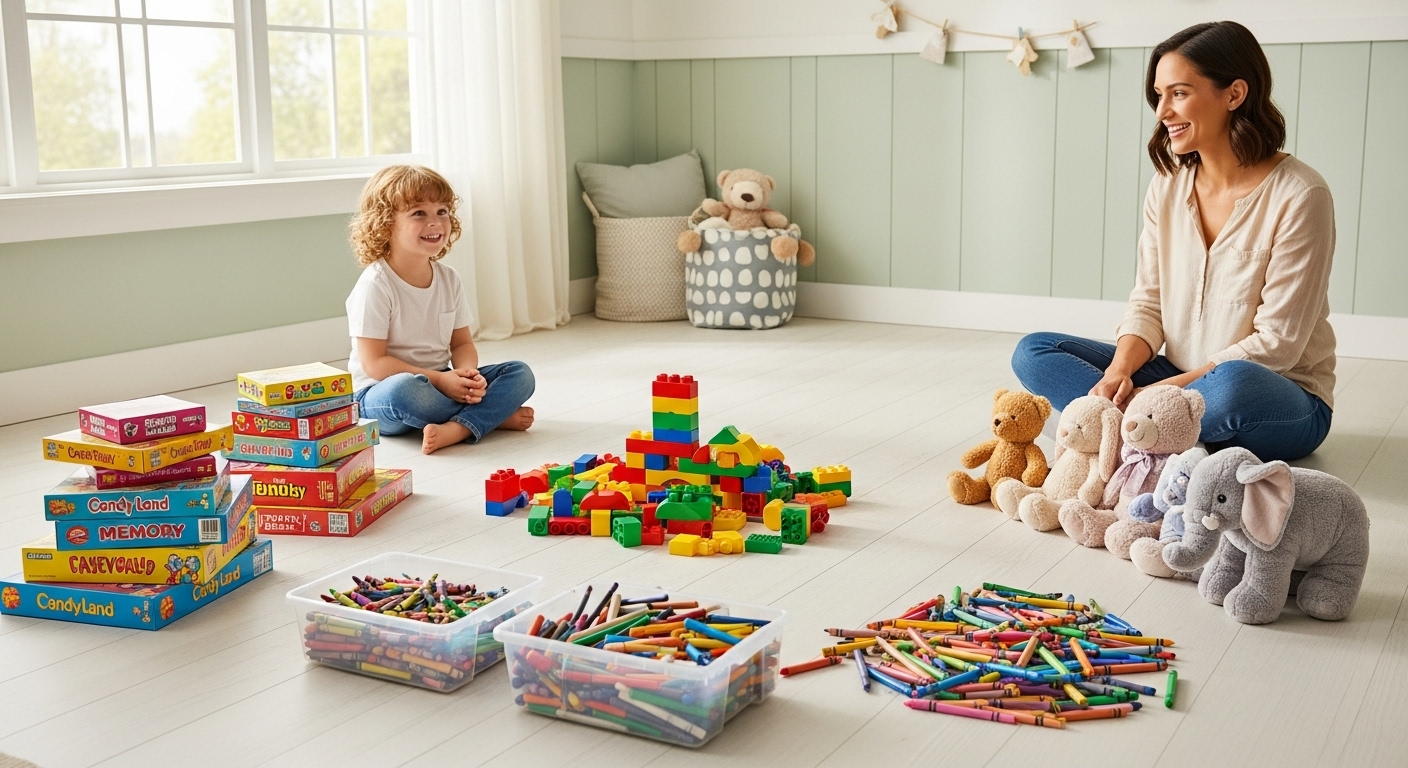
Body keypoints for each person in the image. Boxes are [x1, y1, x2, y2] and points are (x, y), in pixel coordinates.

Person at [1012, 21, 1335, 463]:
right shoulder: (1166, 186)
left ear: (1234, 94)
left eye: (1179, 93)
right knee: (1034, 352)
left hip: (1276, 395)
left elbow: (1276, 345)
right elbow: (1149, 302)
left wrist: (1154, 394)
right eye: (1159, 95)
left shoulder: (1300, 194)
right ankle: (1154, 436)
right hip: (1177, 375)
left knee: (1236, 386)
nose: (1163, 111)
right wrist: (1119, 373)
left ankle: (1109, 433)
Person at [345, 165, 535, 455]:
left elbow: (461, 343)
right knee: (404, 391)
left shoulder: (448, 278)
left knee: (520, 373)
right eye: (419, 213)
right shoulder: (376, 284)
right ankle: (487, 418)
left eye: (442, 211)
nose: (435, 222)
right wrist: (441, 381)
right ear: (385, 224)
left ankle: (459, 426)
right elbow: (375, 364)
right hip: (381, 394)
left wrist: (465, 375)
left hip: (439, 383)